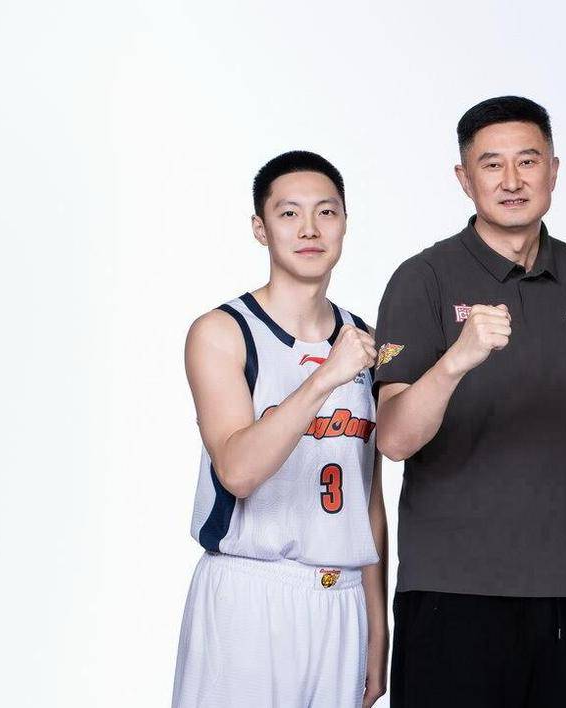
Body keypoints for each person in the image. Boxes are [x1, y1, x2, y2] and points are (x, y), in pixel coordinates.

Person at [373, 96, 566, 708]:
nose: (512, 181)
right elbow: (394, 439)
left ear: (553, 171)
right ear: (465, 179)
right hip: (452, 596)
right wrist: (455, 361)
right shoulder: (422, 278)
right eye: (491, 165)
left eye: (527, 161)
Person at [173, 150, 388, 708]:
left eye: (326, 212)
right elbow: (238, 472)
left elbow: (368, 499)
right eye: (289, 213)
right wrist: (324, 378)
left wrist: (377, 622)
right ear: (260, 228)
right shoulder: (223, 331)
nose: (310, 229)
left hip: (341, 597)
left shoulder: (362, 337)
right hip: (251, 592)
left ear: (345, 223)